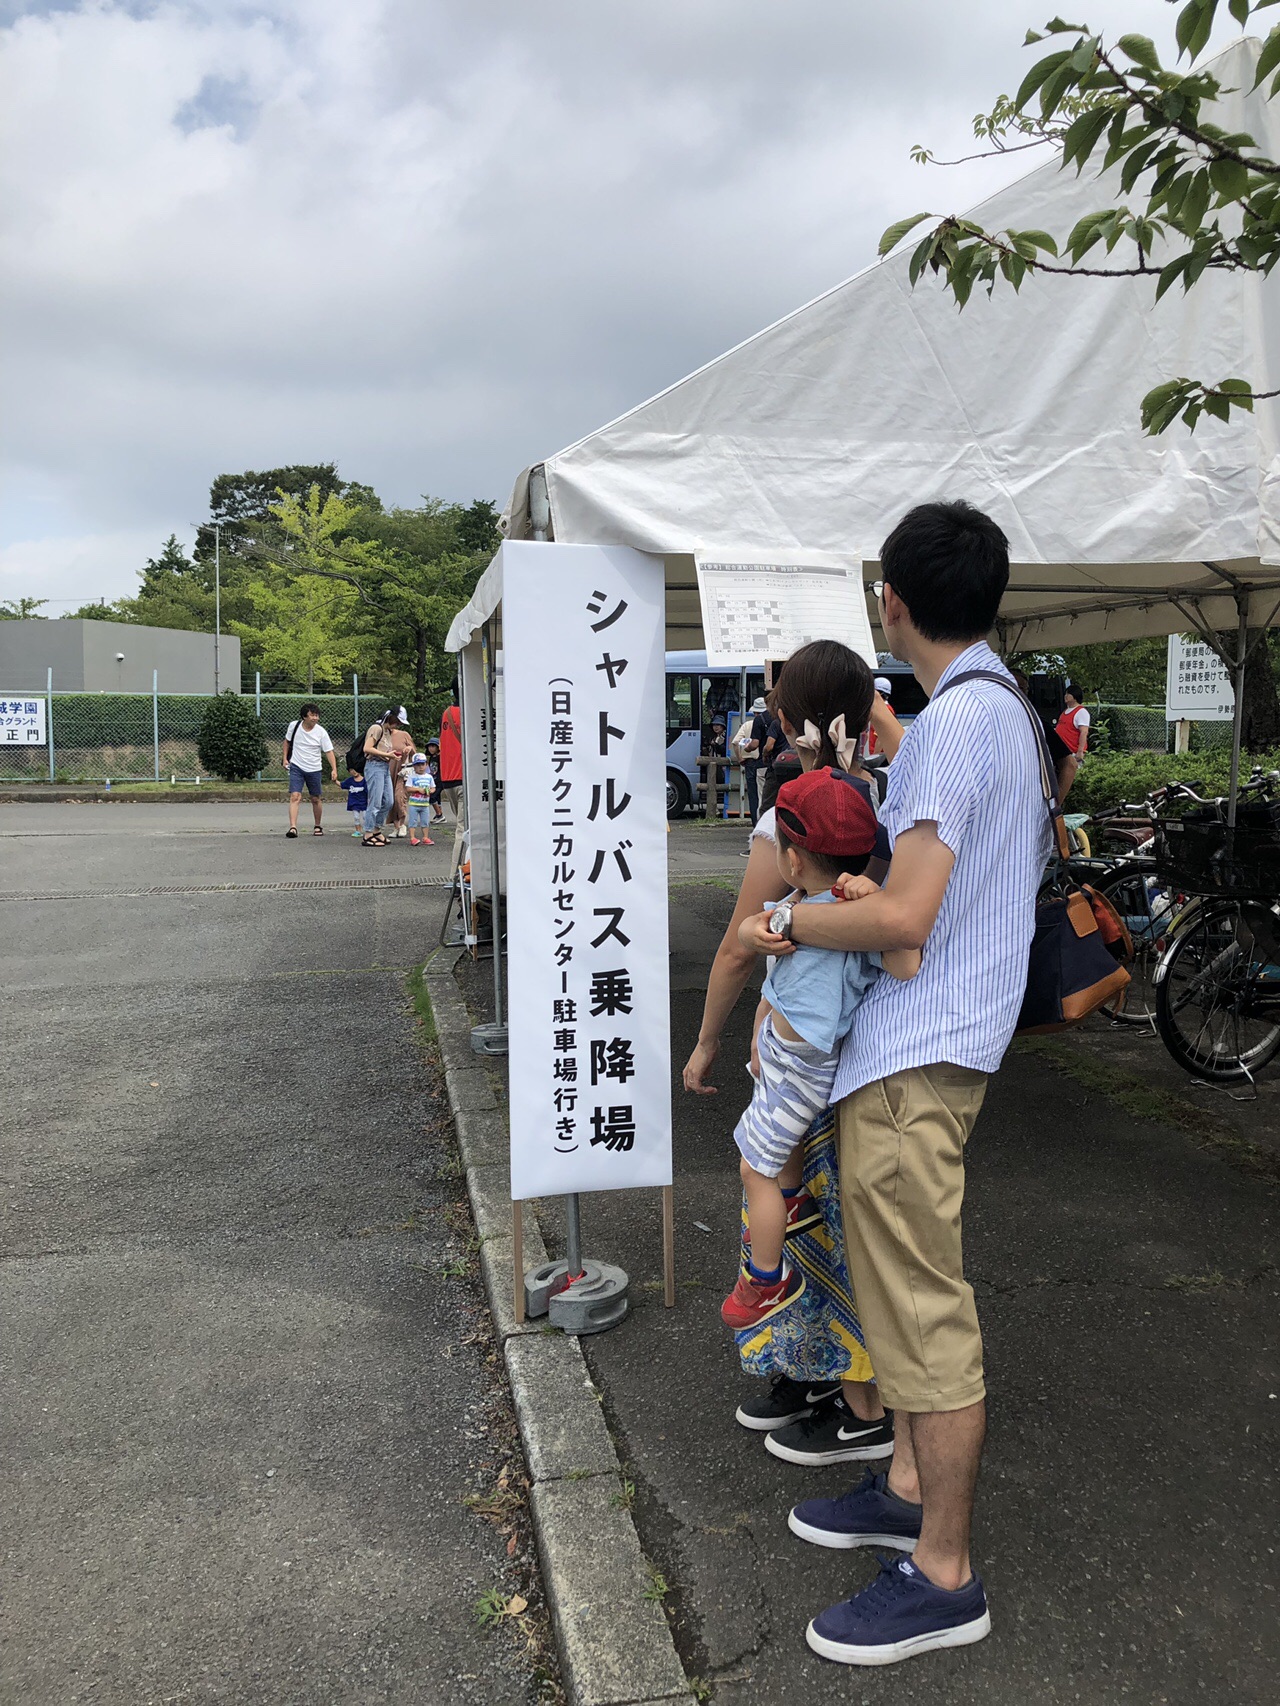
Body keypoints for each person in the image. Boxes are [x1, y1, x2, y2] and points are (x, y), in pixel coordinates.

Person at [737, 500, 1048, 1668]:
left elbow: (903, 913)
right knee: (904, 1291)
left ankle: (943, 1572)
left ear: (891, 603)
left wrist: (788, 918)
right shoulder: (986, 711)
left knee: (920, 1307)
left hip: (917, 1057)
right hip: (919, 1053)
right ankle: (910, 1485)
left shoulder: (955, 725)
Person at [683, 638, 895, 1460]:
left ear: (781, 710)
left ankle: (849, 1394)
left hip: (802, 1054)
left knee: (787, 1203)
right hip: (866, 1050)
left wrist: (706, 1044)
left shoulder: (794, 815)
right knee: (836, 1220)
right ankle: (830, 1380)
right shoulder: (884, 794)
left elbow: (742, 945)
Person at [721, 768, 918, 1332]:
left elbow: (906, 961)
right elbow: (756, 941)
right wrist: (747, 938)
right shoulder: (799, 904)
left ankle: (766, 1279)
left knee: (751, 1165)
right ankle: (792, 1203)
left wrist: (877, 899)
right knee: (770, 1148)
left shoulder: (851, 916)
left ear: (792, 857)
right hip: (786, 1057)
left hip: (803, 1067)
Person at [282, 702, 339, 838]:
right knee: (295, 796)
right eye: (312, 715)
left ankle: (318, 825)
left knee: (315, 798)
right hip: (296, 766)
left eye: (317, 715)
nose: (315, 718)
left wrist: (334, 769)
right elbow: (287, 742)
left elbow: (329, 751)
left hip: (314, 768)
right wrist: (285, 759)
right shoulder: (294, 726)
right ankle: (293, 827)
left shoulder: (321, 732)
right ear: (304, 717)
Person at [361, 708, 401, 847]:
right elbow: (367, 748)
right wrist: (388, 755)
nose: (398, 725)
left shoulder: (387, 731)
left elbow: (383, 750)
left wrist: (391, 755)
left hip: (384, 766)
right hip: (374, 766)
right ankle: (368, 834)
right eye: (397, 722)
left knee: (389, 801)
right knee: (375, 801)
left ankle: (376, 830)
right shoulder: (376, 728)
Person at [734, 695, 770, 826]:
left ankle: (756, 822)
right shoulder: (773, 721)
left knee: (753, 795)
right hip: (766, 762)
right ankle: (767, 824)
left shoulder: (749, 724)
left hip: (750, 763)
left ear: (754, 712)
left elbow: (735, 742)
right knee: (765, 794)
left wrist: (740, 757)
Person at [1054, 681, 1090, 801]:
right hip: (1062, 752)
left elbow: (1083, 732)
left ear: (1074, 696)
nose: (1065, 696)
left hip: (1072, 753)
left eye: (1068, 694)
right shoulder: (1065, 712)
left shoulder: (1081, 712)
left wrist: (1080, 751)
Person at [386, 713, 416, 839]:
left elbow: (415, 752)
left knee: (399, 797)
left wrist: (409, 748)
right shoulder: (382, 735)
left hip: (402, 771)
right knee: (390, 800)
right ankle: (396, 826)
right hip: (388, 771)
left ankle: (402, 824)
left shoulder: (404, 735)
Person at [438, 692, 463, 821]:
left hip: (447, 778)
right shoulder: (469, 711)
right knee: (463, 824)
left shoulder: (445, 714)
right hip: (463, 777)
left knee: (461, 821)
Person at [403, 752, 436, 846]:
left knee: (425, 821)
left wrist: (430, 791)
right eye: (418, 765)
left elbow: (433, 788)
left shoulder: (429, 777)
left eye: (422, 764)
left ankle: (425, 837)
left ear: (426, 765)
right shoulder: (412, 777)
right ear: (414, 766)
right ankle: (412, 837)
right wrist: (418, 789)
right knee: (412, 821)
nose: (420, 767)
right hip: (414, 803)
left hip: (425, 804)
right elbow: (408, 788)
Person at [338, 761, 367, 837]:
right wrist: (335, 780)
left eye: (355, 769)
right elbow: (342, 785)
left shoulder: (365, 781)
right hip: (354, 803)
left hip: (364, 803)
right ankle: (358, 830)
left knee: (365, 816)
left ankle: (368, 829)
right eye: (351, 770)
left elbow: (369, 792)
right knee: (356, 817)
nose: (354, 771)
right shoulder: (349, 781)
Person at [426, 736, 445, 823]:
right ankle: (440, 815)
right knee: (437, 797)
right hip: (433, 780)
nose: (431, 748)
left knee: (432, 797)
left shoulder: (440, 757)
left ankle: (439, 814)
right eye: (430, 746)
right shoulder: (432, 757)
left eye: (433, 746)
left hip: (440, 780)